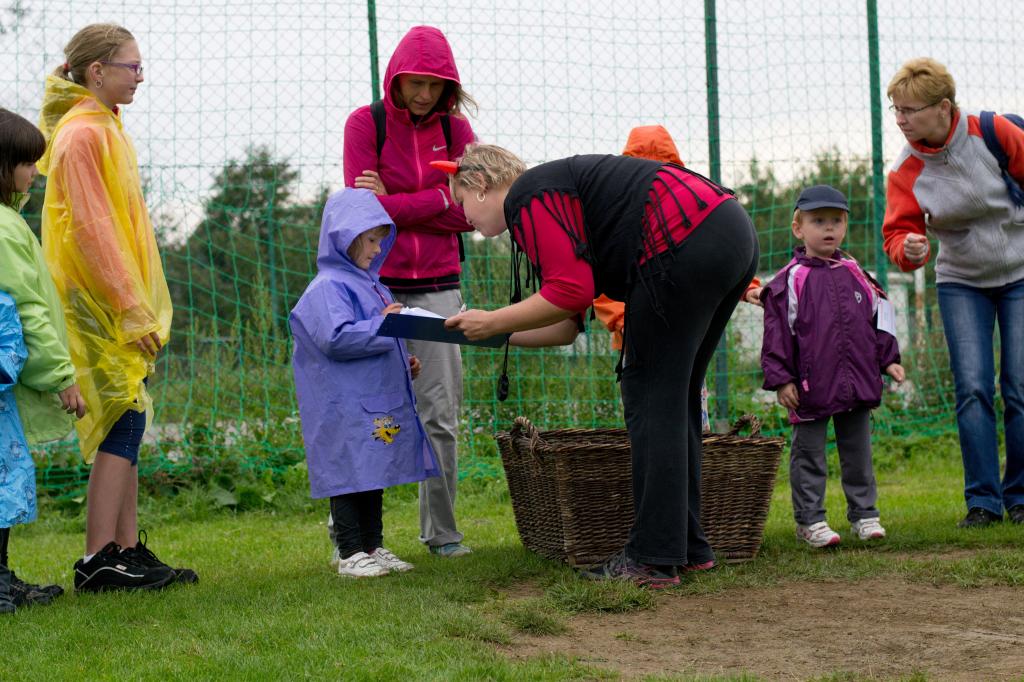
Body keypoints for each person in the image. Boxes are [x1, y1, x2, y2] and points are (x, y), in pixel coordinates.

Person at [438, 143, 759, 588]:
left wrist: (492, 319)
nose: (464, 218)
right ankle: (687, 548)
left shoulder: (528, 195)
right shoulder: (548, 199)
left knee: (650, 395)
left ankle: (652, 558)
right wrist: (487, 332)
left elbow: (569, 291)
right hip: (727, 231)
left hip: (683, 237)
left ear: (478, 184)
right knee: (673, 395)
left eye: (460, 202)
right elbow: (566, 325)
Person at [38, 24, 193, 591]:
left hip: (114, 300)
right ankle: (97, 557)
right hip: (98, 303)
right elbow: (92, 230)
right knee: (120, 422)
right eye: (132, 66)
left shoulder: (105, 125)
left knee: (130, 418)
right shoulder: (83, 134)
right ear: (97, 70)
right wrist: (128, 305)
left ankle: (124, 550)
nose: (141, 77)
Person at [343, 25, 475, 557]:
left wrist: (395, 200)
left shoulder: (457, 130)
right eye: (415, 83)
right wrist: (437, 198)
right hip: (376, 286)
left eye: (435, 85)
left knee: (440, 414)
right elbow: (361, 212)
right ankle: (352, 539)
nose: (424, 94)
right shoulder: (365, 124)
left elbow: (469, 211)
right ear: (394, 79)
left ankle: (442, 534)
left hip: (441, 288)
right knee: (368, 411)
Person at [882, 57, 1024, 528]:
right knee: (973, 389)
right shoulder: (906, 168)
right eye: (895, 109)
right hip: (962, 282)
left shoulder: (995, 133)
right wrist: (911, 248)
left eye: (909, 110)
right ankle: (983, 502)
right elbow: (896, 235)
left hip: (1021, 274)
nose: (900, 120)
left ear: (943, 108)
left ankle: (1020, 496)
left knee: (1019, 386)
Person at [290, 188, 440, 578]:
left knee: (373, 470)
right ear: (345, 237)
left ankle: (372, 546)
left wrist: (402, 361)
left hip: (368, 401)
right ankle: (349, 552)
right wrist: (385, 325)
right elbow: (336, 338)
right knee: (347, 472)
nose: (377, 249)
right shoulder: (328, 286)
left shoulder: (370, 284)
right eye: (371, 240)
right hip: (342, 405)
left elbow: (375, 337)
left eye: (379, 240)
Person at [593, 125, 764, 437]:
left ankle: (696, 454)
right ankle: (656, 456)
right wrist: (623, 321)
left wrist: (748, 287)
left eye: (662, 171)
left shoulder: (686, 215)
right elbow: (607, 281)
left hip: (686, 332)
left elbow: (711, 254)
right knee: (646, 414)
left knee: (689, 405)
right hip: (637, 339)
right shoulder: (621, 222)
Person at [761, 185, 905, 548]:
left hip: (857, 383)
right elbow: (776, 333)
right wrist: (782, 379)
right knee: (809, 455)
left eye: (836, 221)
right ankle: (810, 521)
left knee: (858, 454)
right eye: (818, 221)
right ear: (798, 228)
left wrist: (888, 359)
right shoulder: (790, 279)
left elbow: (880, 318)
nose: (829, 228)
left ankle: (865, 515)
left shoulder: (857, 273)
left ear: (845, 226)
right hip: (809, 388)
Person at [0, 107, 87, 609]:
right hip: (3, 381)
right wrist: (60, 376)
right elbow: (23, 310)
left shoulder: (8, 221)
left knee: (7, 476)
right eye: (27, 163)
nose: (35, 171)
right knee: (3, 475)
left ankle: (2, 574)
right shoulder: (3, 229)